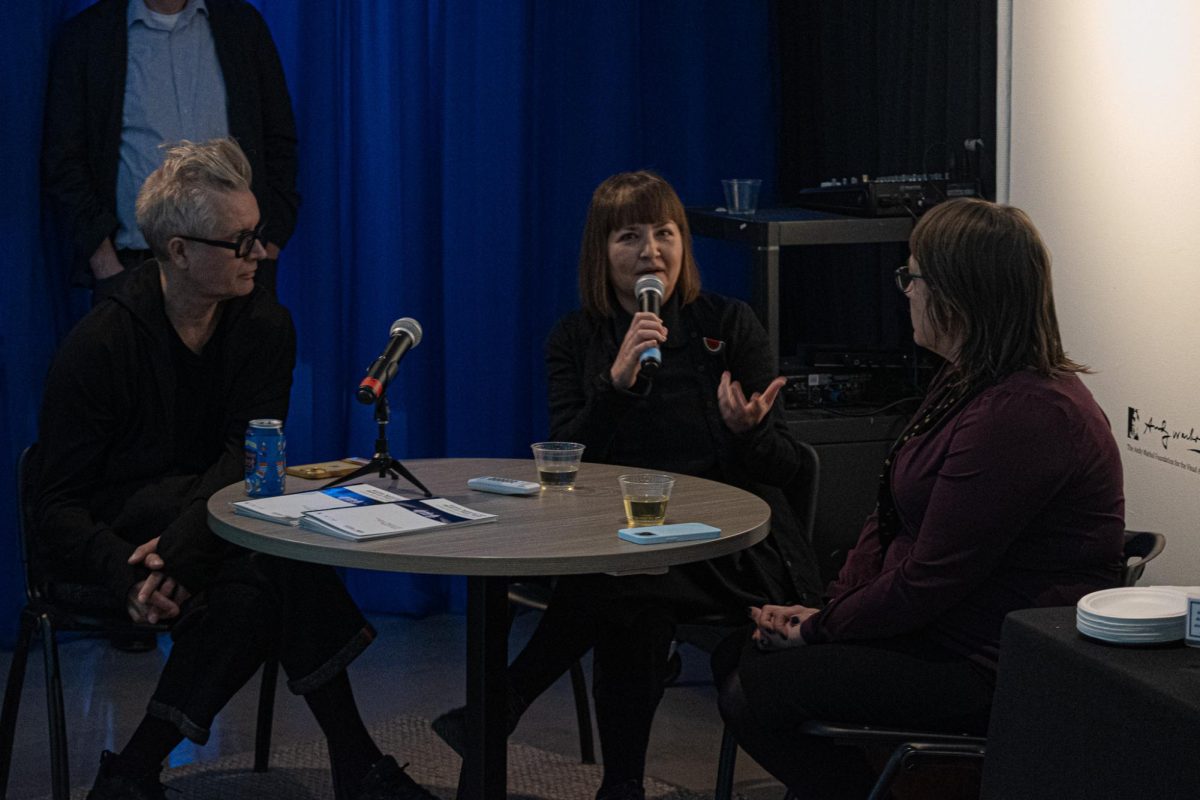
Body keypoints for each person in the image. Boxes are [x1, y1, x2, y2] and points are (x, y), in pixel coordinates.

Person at [31, 139, 434, 800]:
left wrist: (186, 556)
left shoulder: (264, 326)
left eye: (259, 235)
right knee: (273, 553)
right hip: (124, 539)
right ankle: (358, 766)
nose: (260, 254)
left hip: (210, 534)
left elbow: (245, 460)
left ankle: (132, 773)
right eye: (238, 241)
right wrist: (131, 576)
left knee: (255, 581)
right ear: (179, 251)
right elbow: (56, 507)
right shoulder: (99, 345)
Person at [714, 198, 1125, 798]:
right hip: (944, 629)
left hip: (993, 661)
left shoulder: (1026, 412)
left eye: (914, 276)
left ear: (960, 294)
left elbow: (932, 576)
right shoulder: (968, 378)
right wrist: (830, 612)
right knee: (741, 653)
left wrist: (821, 629)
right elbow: (889, 518)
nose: (905, 291)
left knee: (756, 681)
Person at [432, 171, 823, 800]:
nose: (651, 252)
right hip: (617, 537)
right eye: (630, 237)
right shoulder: (576, 338)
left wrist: (747, 432)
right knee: (632, 585)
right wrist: (614, 387)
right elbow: (565, 461)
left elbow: (783, 468)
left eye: (665, 233)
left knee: (633, 579)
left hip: (728, 545)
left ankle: (504, 706)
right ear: (600, 251)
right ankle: (621, 786)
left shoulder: (729, 322)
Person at [42, 0, 299, 301]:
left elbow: (279, 140)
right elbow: (64, 159)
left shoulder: (242, 25)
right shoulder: (89, 35)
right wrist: (104, 262)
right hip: (133, 267)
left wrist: (269, 247)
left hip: (239, 264)